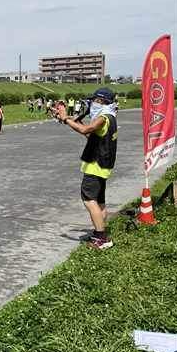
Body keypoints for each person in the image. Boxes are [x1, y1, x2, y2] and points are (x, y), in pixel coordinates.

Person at [55, 87, 118, 250]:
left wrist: (66, 119)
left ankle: (101, 238)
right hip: (103, 166)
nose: (92, 103)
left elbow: (86, 130)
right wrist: (73, 121)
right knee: (99, 201)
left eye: (95, 100)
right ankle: (100, 232)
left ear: (102, 101)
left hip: (95, 166)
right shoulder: (111, 117)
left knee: (89, 200)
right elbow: (91, 135)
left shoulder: (103, 118)